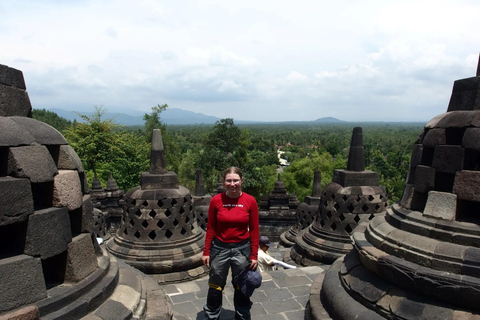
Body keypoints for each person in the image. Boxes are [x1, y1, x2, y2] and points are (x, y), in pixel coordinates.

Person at [202, 167, 259, 320]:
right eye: (229, 180)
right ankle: (212, 315)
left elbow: (254, 229)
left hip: (242, 248)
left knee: (242, 285)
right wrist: (206, 251)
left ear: (241, 181)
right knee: (215, 284)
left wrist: (254, 254)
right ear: (224, 181)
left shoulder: (249, 201)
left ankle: (242, 315)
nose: (232, 184)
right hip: (220, 248)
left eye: (235, 180)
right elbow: (211, 228)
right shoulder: (216, 200)